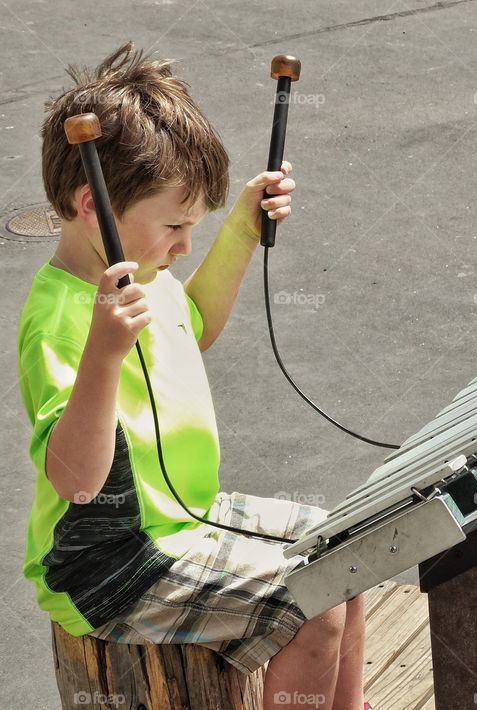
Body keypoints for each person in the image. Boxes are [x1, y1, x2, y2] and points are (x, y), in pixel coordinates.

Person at [17, 42, 370, 710]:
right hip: (112, 565)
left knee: (346, 548)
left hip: (184, 518)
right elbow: (75, 479)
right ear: (92, 205)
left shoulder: (142, 277)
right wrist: (101, 356)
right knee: (312, 607)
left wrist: (239, 224)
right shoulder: (60, 318)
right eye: (175, 225)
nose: (184, 246)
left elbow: (195, 326)